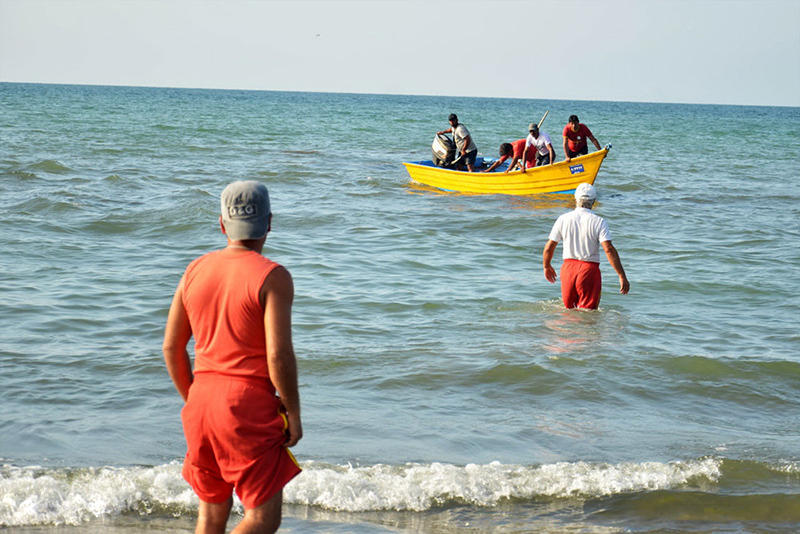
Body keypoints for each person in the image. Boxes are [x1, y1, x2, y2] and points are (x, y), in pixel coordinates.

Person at [163, 180, 302, 534]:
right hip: (246, 409)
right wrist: (293, 412)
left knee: (210, 516)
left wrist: (192, 397)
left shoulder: (194, 270)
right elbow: (278, 355)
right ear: (269, 222)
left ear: (222, 224)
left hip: (200, 404)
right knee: (261, 518)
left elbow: (171, 347)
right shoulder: (273, 276)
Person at [542, 183, 629, 309]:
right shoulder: (599, 221)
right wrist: (621, 275)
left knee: (568, 312)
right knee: (588, 315)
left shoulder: (563, 219)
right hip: (589, 270)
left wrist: (546, 266)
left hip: (568, 269)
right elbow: (608, 249)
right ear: (593, 201)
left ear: (576, 199)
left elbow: (549, 247)